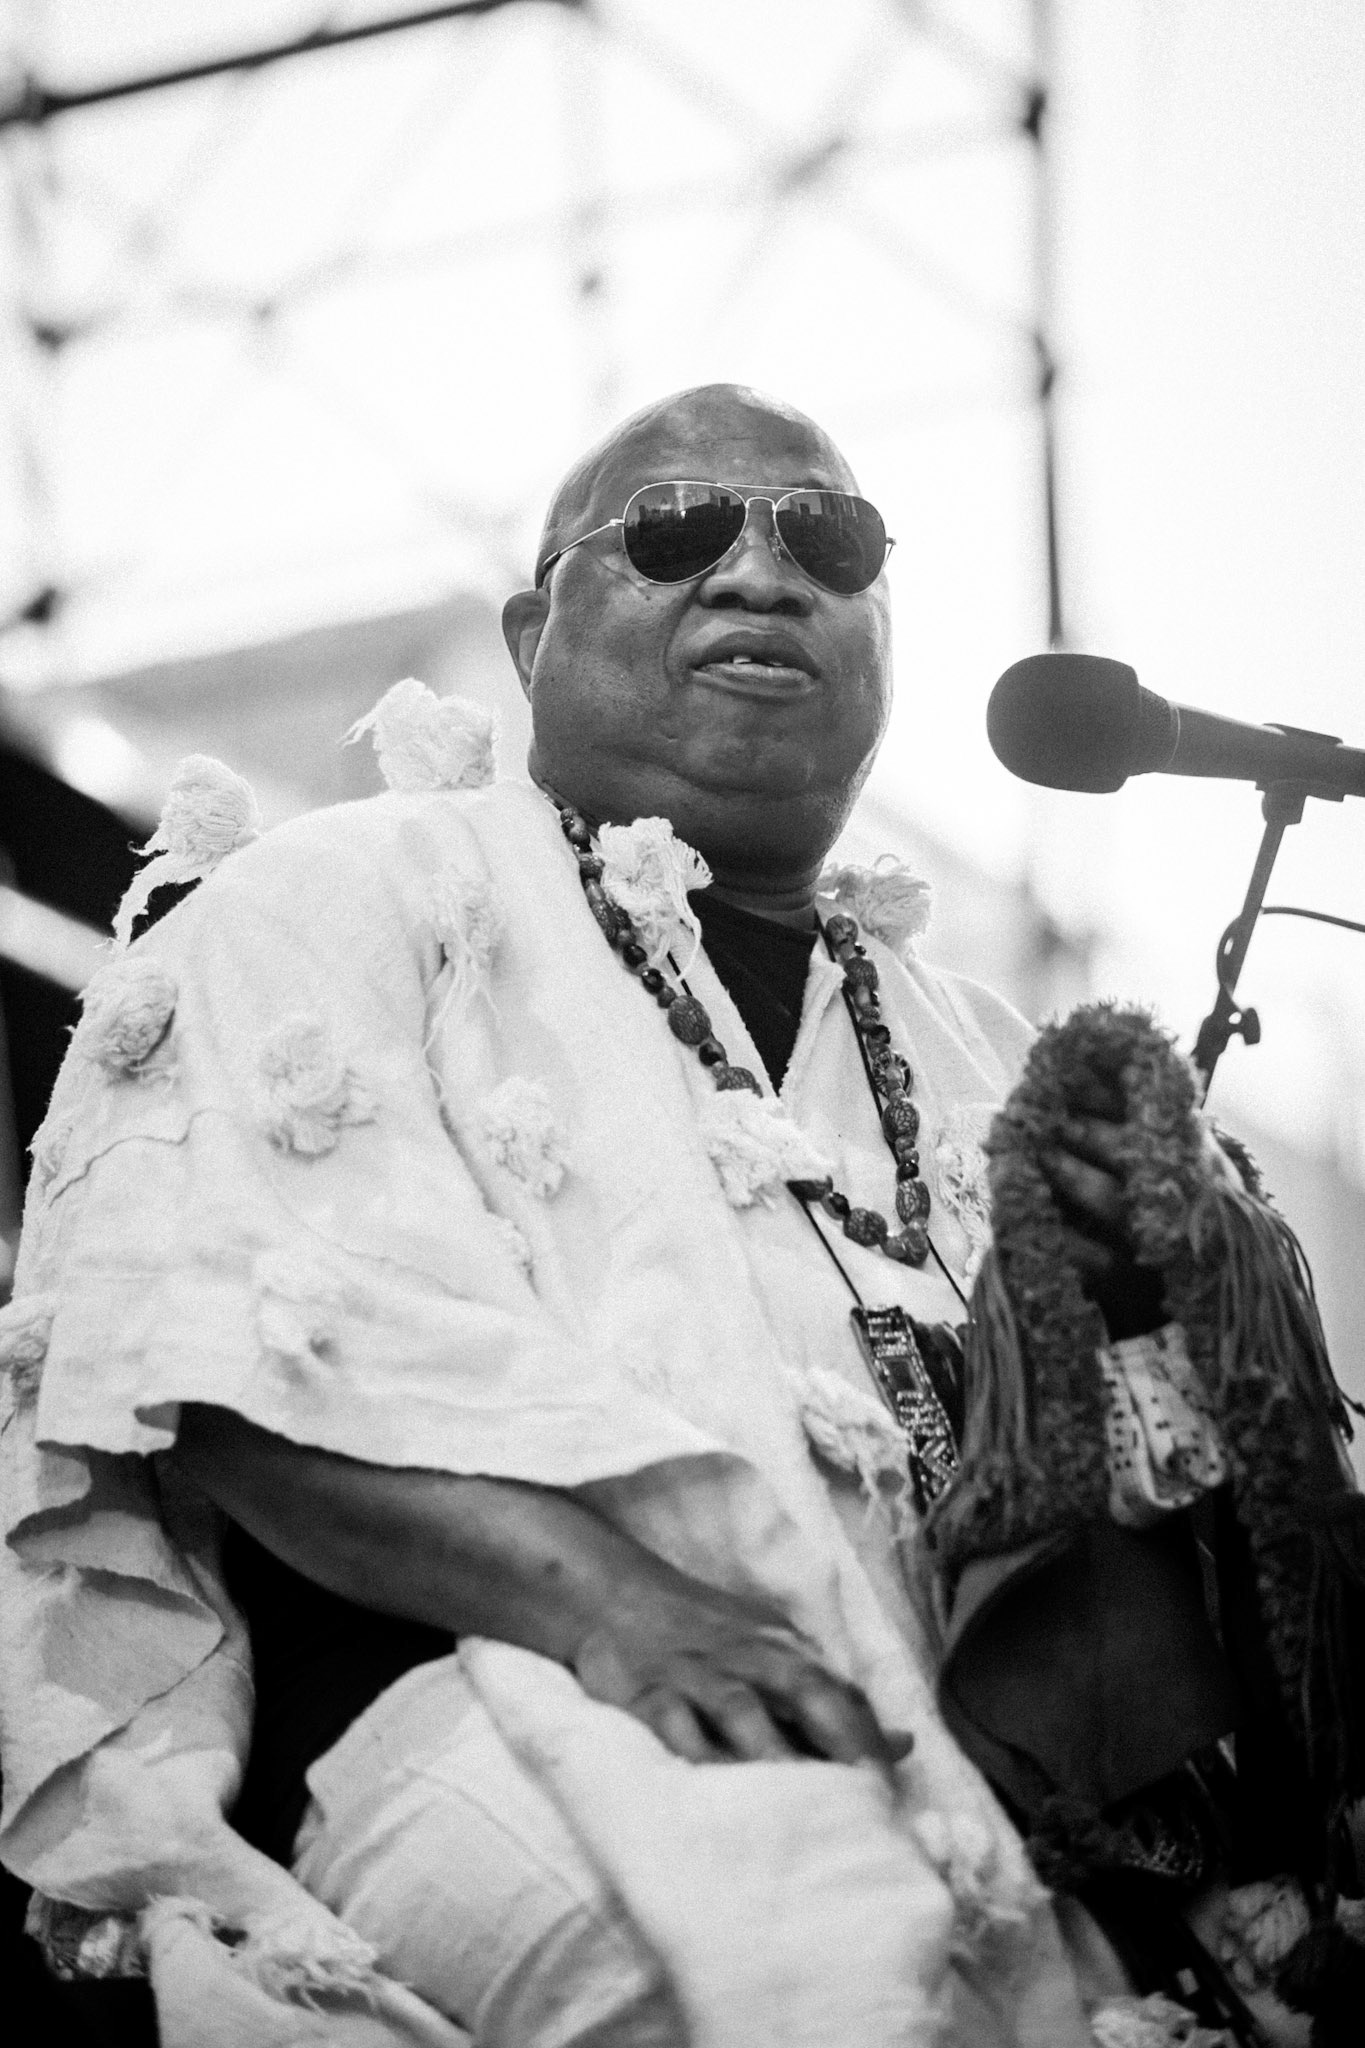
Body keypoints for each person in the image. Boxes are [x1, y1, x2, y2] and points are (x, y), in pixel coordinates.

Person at [0, 384, 1223, 2047]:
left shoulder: (995, 1054)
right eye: (673, 529)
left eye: (824, 537)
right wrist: (619, 1608)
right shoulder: (348, 889)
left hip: (993, 1798)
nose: (755, 573)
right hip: (526, 1705)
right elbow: (219, 1347)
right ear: (530, 632)